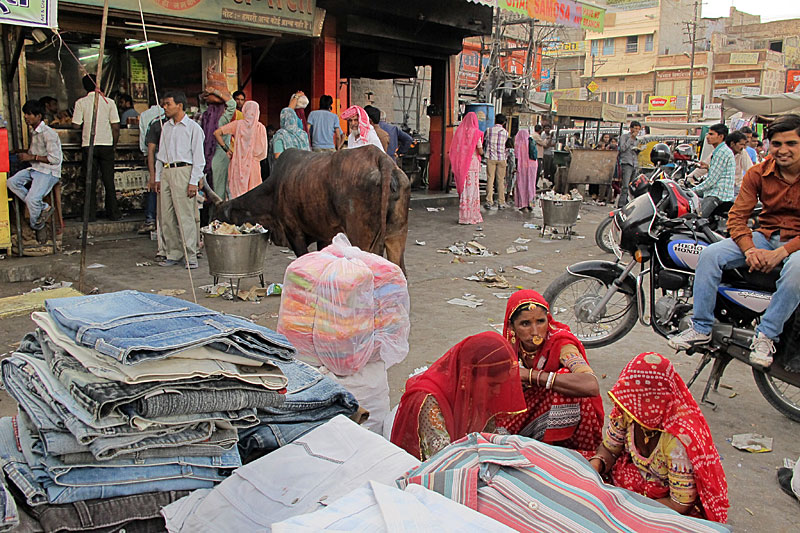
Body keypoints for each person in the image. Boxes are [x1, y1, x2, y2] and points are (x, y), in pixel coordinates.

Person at [668, 114, 800, 368]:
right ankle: (701, 327)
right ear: (769, 146)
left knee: (796, 270)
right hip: (764, 236)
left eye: (791, 144)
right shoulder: (758, 173)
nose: (783, 150)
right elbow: (737, 217)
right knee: (710, 254)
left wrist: (781, 252)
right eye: (777, 144)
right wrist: (749, 250)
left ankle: (766, 335)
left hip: (796, 244)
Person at [589, 352, 729, 522]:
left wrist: (634, 510)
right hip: (632, 483)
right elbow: (610, 449)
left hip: (663, 502)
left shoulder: (678, 439)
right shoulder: (628, 410)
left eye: (640, 401)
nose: (631, 406)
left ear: (657, 400)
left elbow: (680, 503)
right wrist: (595, 466)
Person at [496, 290, 604, 457]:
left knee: (566, 378)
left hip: (571, 426)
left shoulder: (562, 344)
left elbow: (590, 384)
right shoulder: (512, 345)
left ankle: (559, 451)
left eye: (540, 321)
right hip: (532, 415)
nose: (535, 331)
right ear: (512, 327)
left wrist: (531, 376)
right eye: (525, 324)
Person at [390, 331, 526, 460]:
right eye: (492, 385)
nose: (497, 391)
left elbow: (490, 436)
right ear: (467, 376)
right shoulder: (429, 401)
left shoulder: (478, 394)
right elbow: (442, 459)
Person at [154, 91, 205, 270]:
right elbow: (160, 155)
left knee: (185, 216)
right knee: (166, 216)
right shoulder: (166, 127)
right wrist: (158, 177)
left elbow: (199, 158)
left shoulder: (193, 128)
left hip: (184, 170)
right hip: (167, 170)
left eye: (168, 104)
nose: (165, 107)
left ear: (179, 105)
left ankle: (190, 254)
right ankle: (173, 253)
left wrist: (193, 181)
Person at [72, 74, 120, 221]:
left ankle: (89, 215)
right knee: (109, 181)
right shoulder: (109, 102)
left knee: (89, 181)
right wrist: (113, 145)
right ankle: (113, 213)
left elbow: (75, 125)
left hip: (89, 145)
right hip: (106, 145)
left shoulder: (81, 103)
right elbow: (116, 127)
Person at [7, 100, 62, 231]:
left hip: (48, 171)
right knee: (11, 183)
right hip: (35, 169)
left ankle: (37, 227)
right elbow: (34, 152)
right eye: (25, 114)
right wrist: (19, 151)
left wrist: (31, 157)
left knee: (32, 200)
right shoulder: (34, 132)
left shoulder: (48, 133)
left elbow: (55, 159)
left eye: (29, 114)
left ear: (38, 116)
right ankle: (43, 207)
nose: (25, 117)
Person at [213, 100, 267, 198]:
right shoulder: (260, 128)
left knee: (237, 197)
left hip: (238, 165)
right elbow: (262, 153)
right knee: (253, 197)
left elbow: (217, 133)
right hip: (253, 168)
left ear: (244, 111)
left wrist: (227, 149)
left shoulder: (237, 124)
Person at [200, 86, 236, 202]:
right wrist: (215, 92)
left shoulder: (205, 118)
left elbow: (202, 103)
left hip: (206, 158)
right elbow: (232, 104)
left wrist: (206, 94)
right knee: (219, 193)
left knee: (209, 190)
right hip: (221, 159)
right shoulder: (222, 120)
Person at [692, 124, 736, 216]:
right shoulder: (720, 151)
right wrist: (708, 167)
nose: (707, 137)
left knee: (697, 219)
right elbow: (720, 172)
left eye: (711, 134)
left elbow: (712, 180)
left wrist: (692, 190)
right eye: (708, 134)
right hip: (718, 193)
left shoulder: (722, 152)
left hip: (717, 195)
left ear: (721, 136)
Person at [137, 99, 166, 234]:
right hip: (161, 156)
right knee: (156, 185)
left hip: (155, 155)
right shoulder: (161, 122)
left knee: (154, 184)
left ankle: (150, 219)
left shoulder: (145, 116)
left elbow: (144, 138)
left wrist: (145, 153)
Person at [449, 111, 483, 225]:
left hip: (463, 165)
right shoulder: (477, 133)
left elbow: (456, 149)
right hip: (473, 165)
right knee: (473, 190)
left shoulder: (460, 133)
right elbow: (480, 150)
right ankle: (472, 216)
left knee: (465, 189)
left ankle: (464, 217)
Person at [483, 114, 509, 210]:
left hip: (491, 157)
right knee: (500, 180)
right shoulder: (505, 132)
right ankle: (501, 202)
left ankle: (489, 201)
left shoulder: (489, 130)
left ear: (495, 120)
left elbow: (485, 142)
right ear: (504, 122)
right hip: (502, 158)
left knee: (490, 179)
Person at [617, 120, 642, 206]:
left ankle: (627, 202)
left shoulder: (637, 140)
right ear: (631, 128)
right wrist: (631, 139)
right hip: (626, 163)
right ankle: (621, 203)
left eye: (638, 129)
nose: (637, 131)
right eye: (635, 129)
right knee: (625, 185)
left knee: (631, 186)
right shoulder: (624, 137)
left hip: (634, 163)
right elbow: (622, 148)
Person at [514, 128, 537, 211]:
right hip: (533, 166)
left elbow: (516, 156)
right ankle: (531, 204)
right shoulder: (531, 141)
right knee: (531, 185)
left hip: (522, 167)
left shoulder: (518, 144)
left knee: (522, 185)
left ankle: (523, 204)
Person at [726, 130, 752, 196]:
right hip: (723, 188)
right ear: (732, 144)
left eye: (744, 145)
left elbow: (750, 169)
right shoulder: (722, 152)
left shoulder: (743, 153)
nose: (743, 147)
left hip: (737, 187)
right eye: (741, 144)